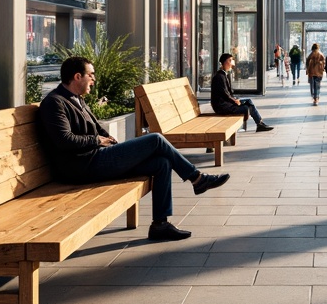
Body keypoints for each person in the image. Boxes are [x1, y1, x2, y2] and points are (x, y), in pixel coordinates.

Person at [39, 56, 229, 242]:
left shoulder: (77, 98)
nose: (94, 79)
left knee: (161, 163)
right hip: (83, 165)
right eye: (91, 75)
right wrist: (97, 140)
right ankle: (197, 178)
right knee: (155, 139)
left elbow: (96, 127)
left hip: (96, 158)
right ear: (77, 76)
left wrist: (108, 139)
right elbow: (64, 140)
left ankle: (160, 225)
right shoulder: (55, 102)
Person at [211, 53, 273, 132]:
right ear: (224, 62)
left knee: (248, 101)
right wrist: (234, 101)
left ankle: (260, 123)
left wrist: (234, 99)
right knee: (247, 107)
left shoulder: (223, 75)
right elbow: (224, 93)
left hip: (226, 104)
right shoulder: (219, 76)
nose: (231, 63)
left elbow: (227, 93)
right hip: (222, 106)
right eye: (229, 61)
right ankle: (259, 124)